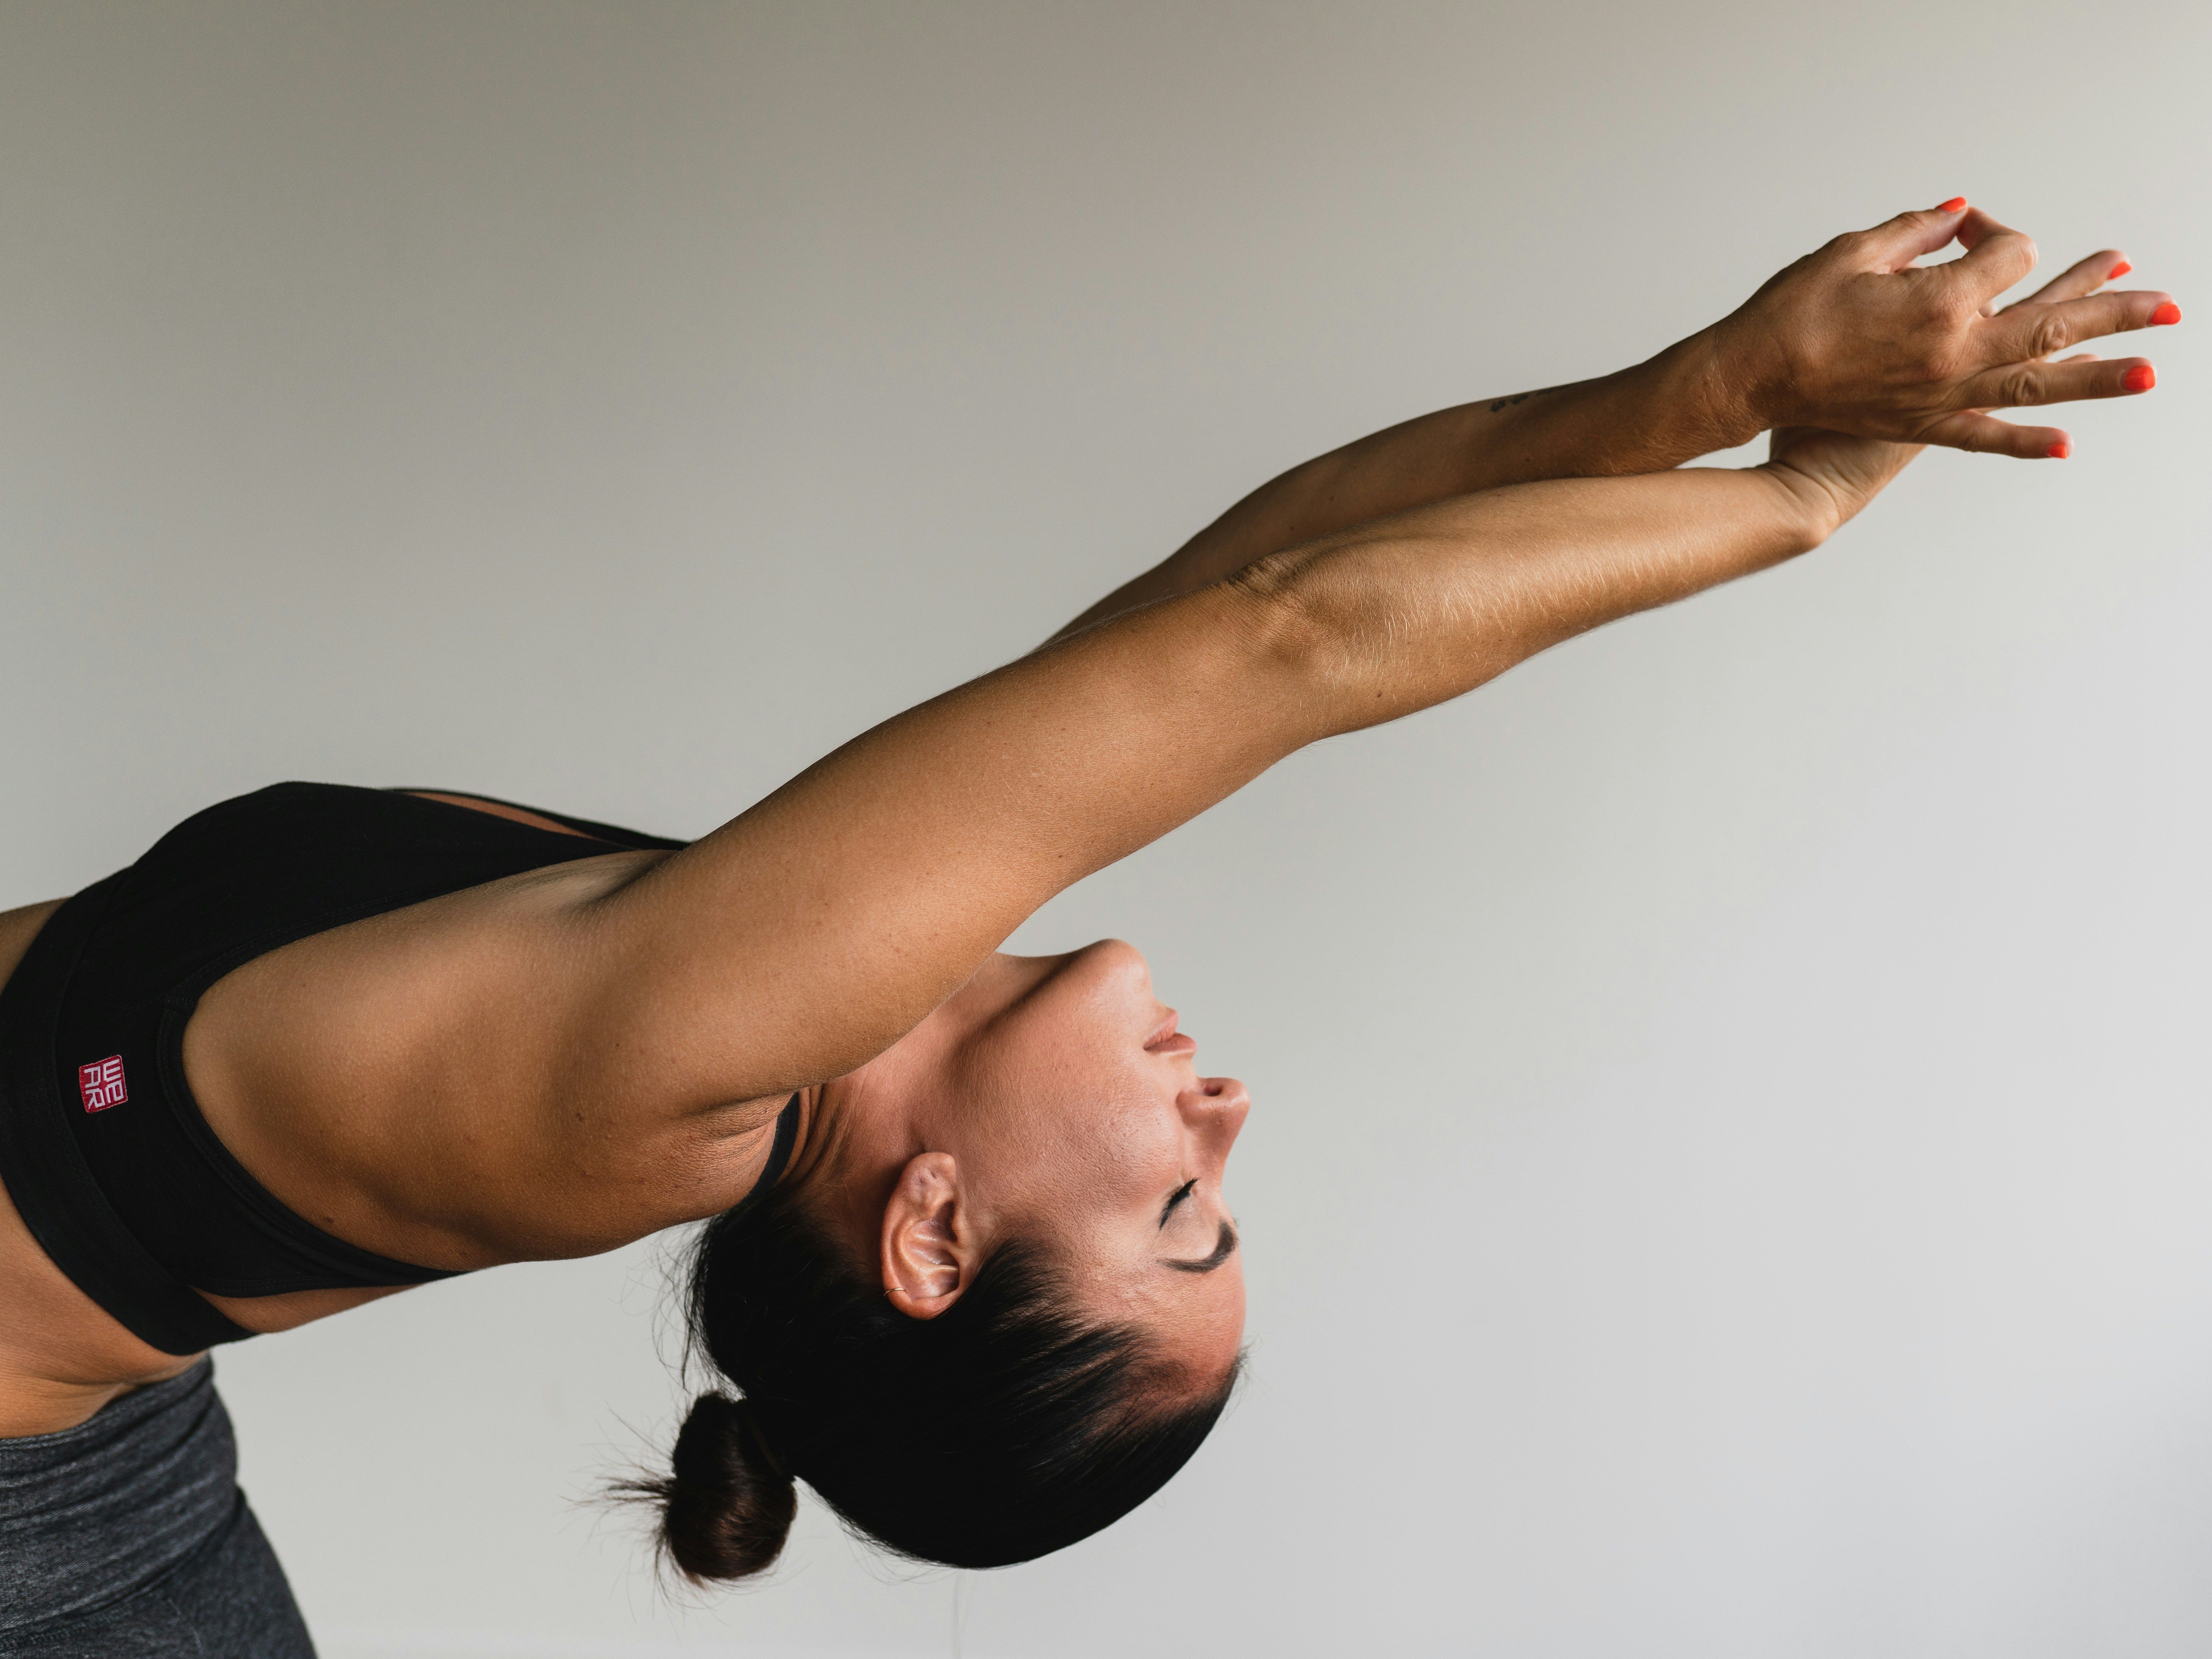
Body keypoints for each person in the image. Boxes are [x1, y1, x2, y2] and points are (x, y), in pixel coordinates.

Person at [0, 201, 2178, 1653]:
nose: (1225, 1116)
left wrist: (1792, 507)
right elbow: (1265, 566)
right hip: (109, 1457)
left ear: (932, 1241)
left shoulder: (668, 1077)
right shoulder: (794, 984)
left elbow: (1289, 643)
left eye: (1185, 1216)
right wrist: (1708, 390)